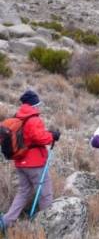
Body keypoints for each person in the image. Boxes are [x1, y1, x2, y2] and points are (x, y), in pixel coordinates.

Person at [0, 90, 60, 232]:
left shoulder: (18, 117)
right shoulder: (33, 119)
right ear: (33, 105)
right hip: (35, 163)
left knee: (23, 192)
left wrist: (48, 134)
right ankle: (47, 226)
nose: (38, 107)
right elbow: (39, 137)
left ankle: (6, 221)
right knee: (46, 193)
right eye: (37, 104)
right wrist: (53, 136)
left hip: (20, 162)